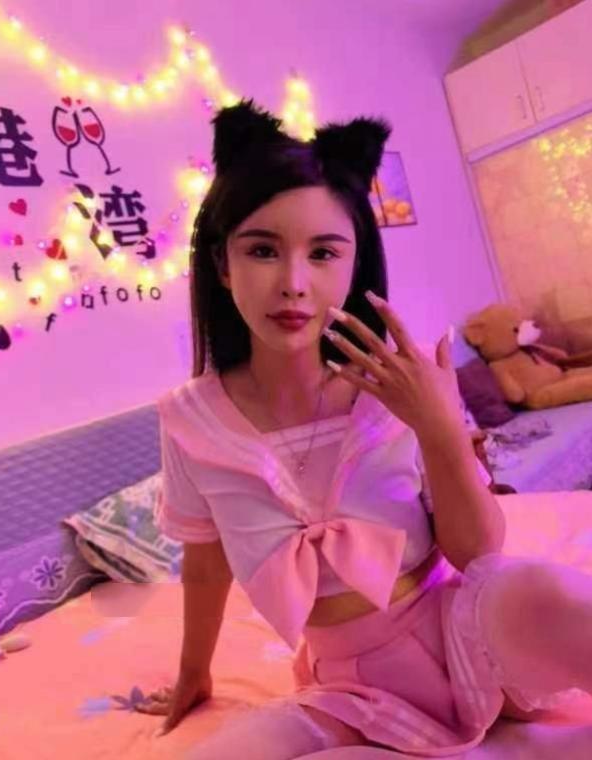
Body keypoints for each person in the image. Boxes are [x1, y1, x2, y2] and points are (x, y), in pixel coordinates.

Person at [134, 98, 592, 758]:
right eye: (262, 250)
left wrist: (437, 426)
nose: (293, 282)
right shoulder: (190, 423)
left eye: (324, 252)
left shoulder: (402, 382)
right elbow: (205, 567)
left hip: (470, 632)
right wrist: (193, 674)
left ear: (354, 266)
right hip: (348, 690)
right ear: (222, 266)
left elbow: (479, 554)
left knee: (545, 591)